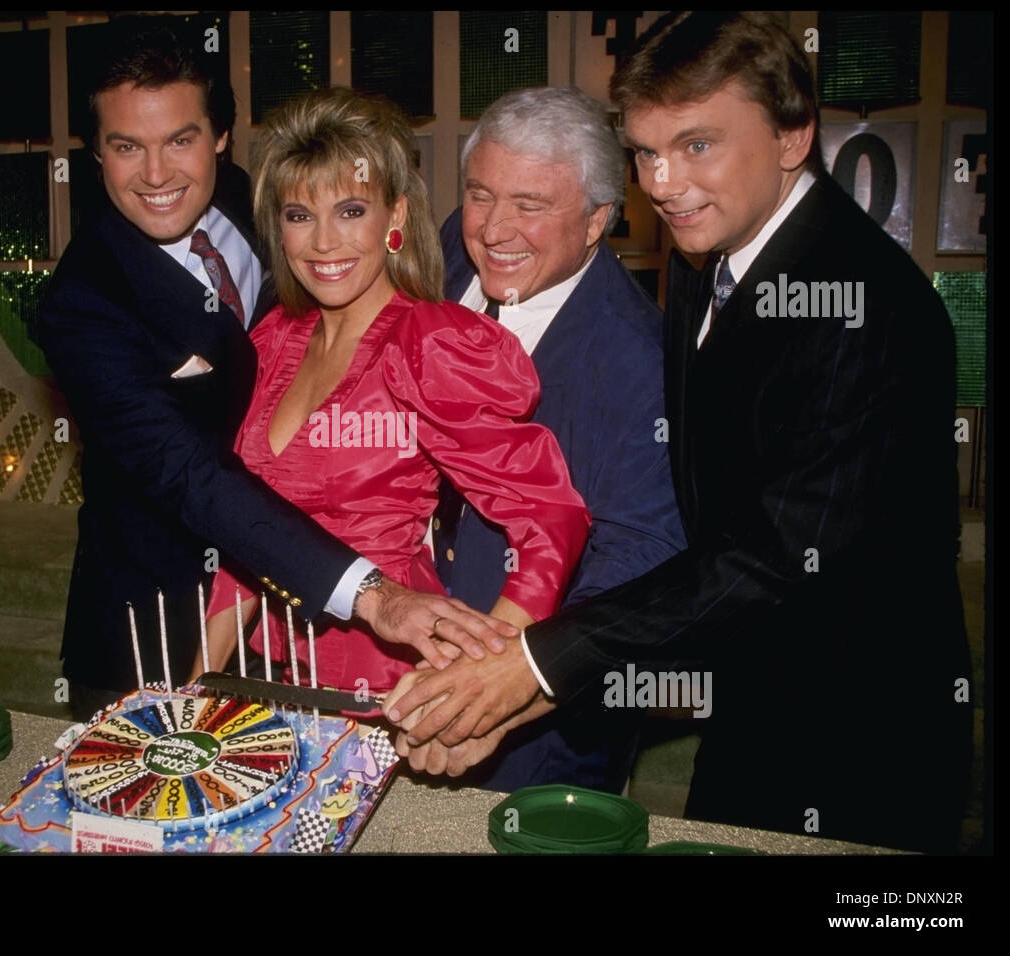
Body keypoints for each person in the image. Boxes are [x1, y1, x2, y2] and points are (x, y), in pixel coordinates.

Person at [387, 11, 971, 853]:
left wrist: (536, 669)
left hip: (859, 729)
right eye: (647, 152)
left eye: (698, 145)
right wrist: (527, 688)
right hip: (749, 694)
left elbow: (769, 555)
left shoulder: (863, 306)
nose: (662, 182)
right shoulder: (717, 255)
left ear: (794, 135)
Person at [30, 18, 517, 721]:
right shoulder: (82, 305)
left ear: (222, 137)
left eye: (181, 140)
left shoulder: (254, 202)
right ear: (95, 154)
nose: (159, 174)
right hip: (162, 625)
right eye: (126, 147)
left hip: (302, 639)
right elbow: (192, 475)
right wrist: (373, 593)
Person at [191, 87, 590, 697]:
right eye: (300, 215)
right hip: (274, 678)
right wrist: (191, 691)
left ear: (396, 218)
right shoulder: (274, 341)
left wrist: (488, 676)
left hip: (388, 684)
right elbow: (249, 529)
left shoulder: (428, 345)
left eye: (351, 210)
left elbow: (552, 519)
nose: (324, 242)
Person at [431, 86, 686, 793]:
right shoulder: (456, 243)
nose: (495, 230)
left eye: (531, 206)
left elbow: (641, 555)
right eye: (482, 195)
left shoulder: (644, 364)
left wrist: (515, 679)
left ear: (598, 220)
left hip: (538, 734)